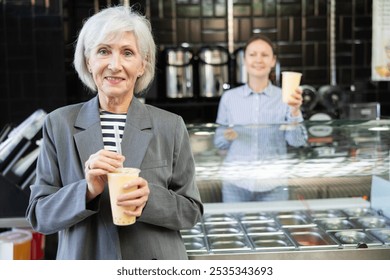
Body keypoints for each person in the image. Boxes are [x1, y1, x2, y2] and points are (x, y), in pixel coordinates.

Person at [26, 5, 203, 260]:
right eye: (103, 51)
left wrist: (149, 199)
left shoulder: (170, 125)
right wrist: (86, 190)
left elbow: (191, 211)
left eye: (127, 53)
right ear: (89, 61)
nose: (114, 64)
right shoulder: (59, 124)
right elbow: (39, 216)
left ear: (143, 65)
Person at [214, 34, 307, 202]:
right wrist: (227, 136)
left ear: (273, 61)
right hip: (236, 184)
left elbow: (297, 142)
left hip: (273, 185)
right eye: (252, 54)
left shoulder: (286, 97)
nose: (258, 59)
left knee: (274, 229)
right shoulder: (229, 98)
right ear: (245, 59)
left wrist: (295, 111)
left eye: (265, 55)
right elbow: (219, 142)